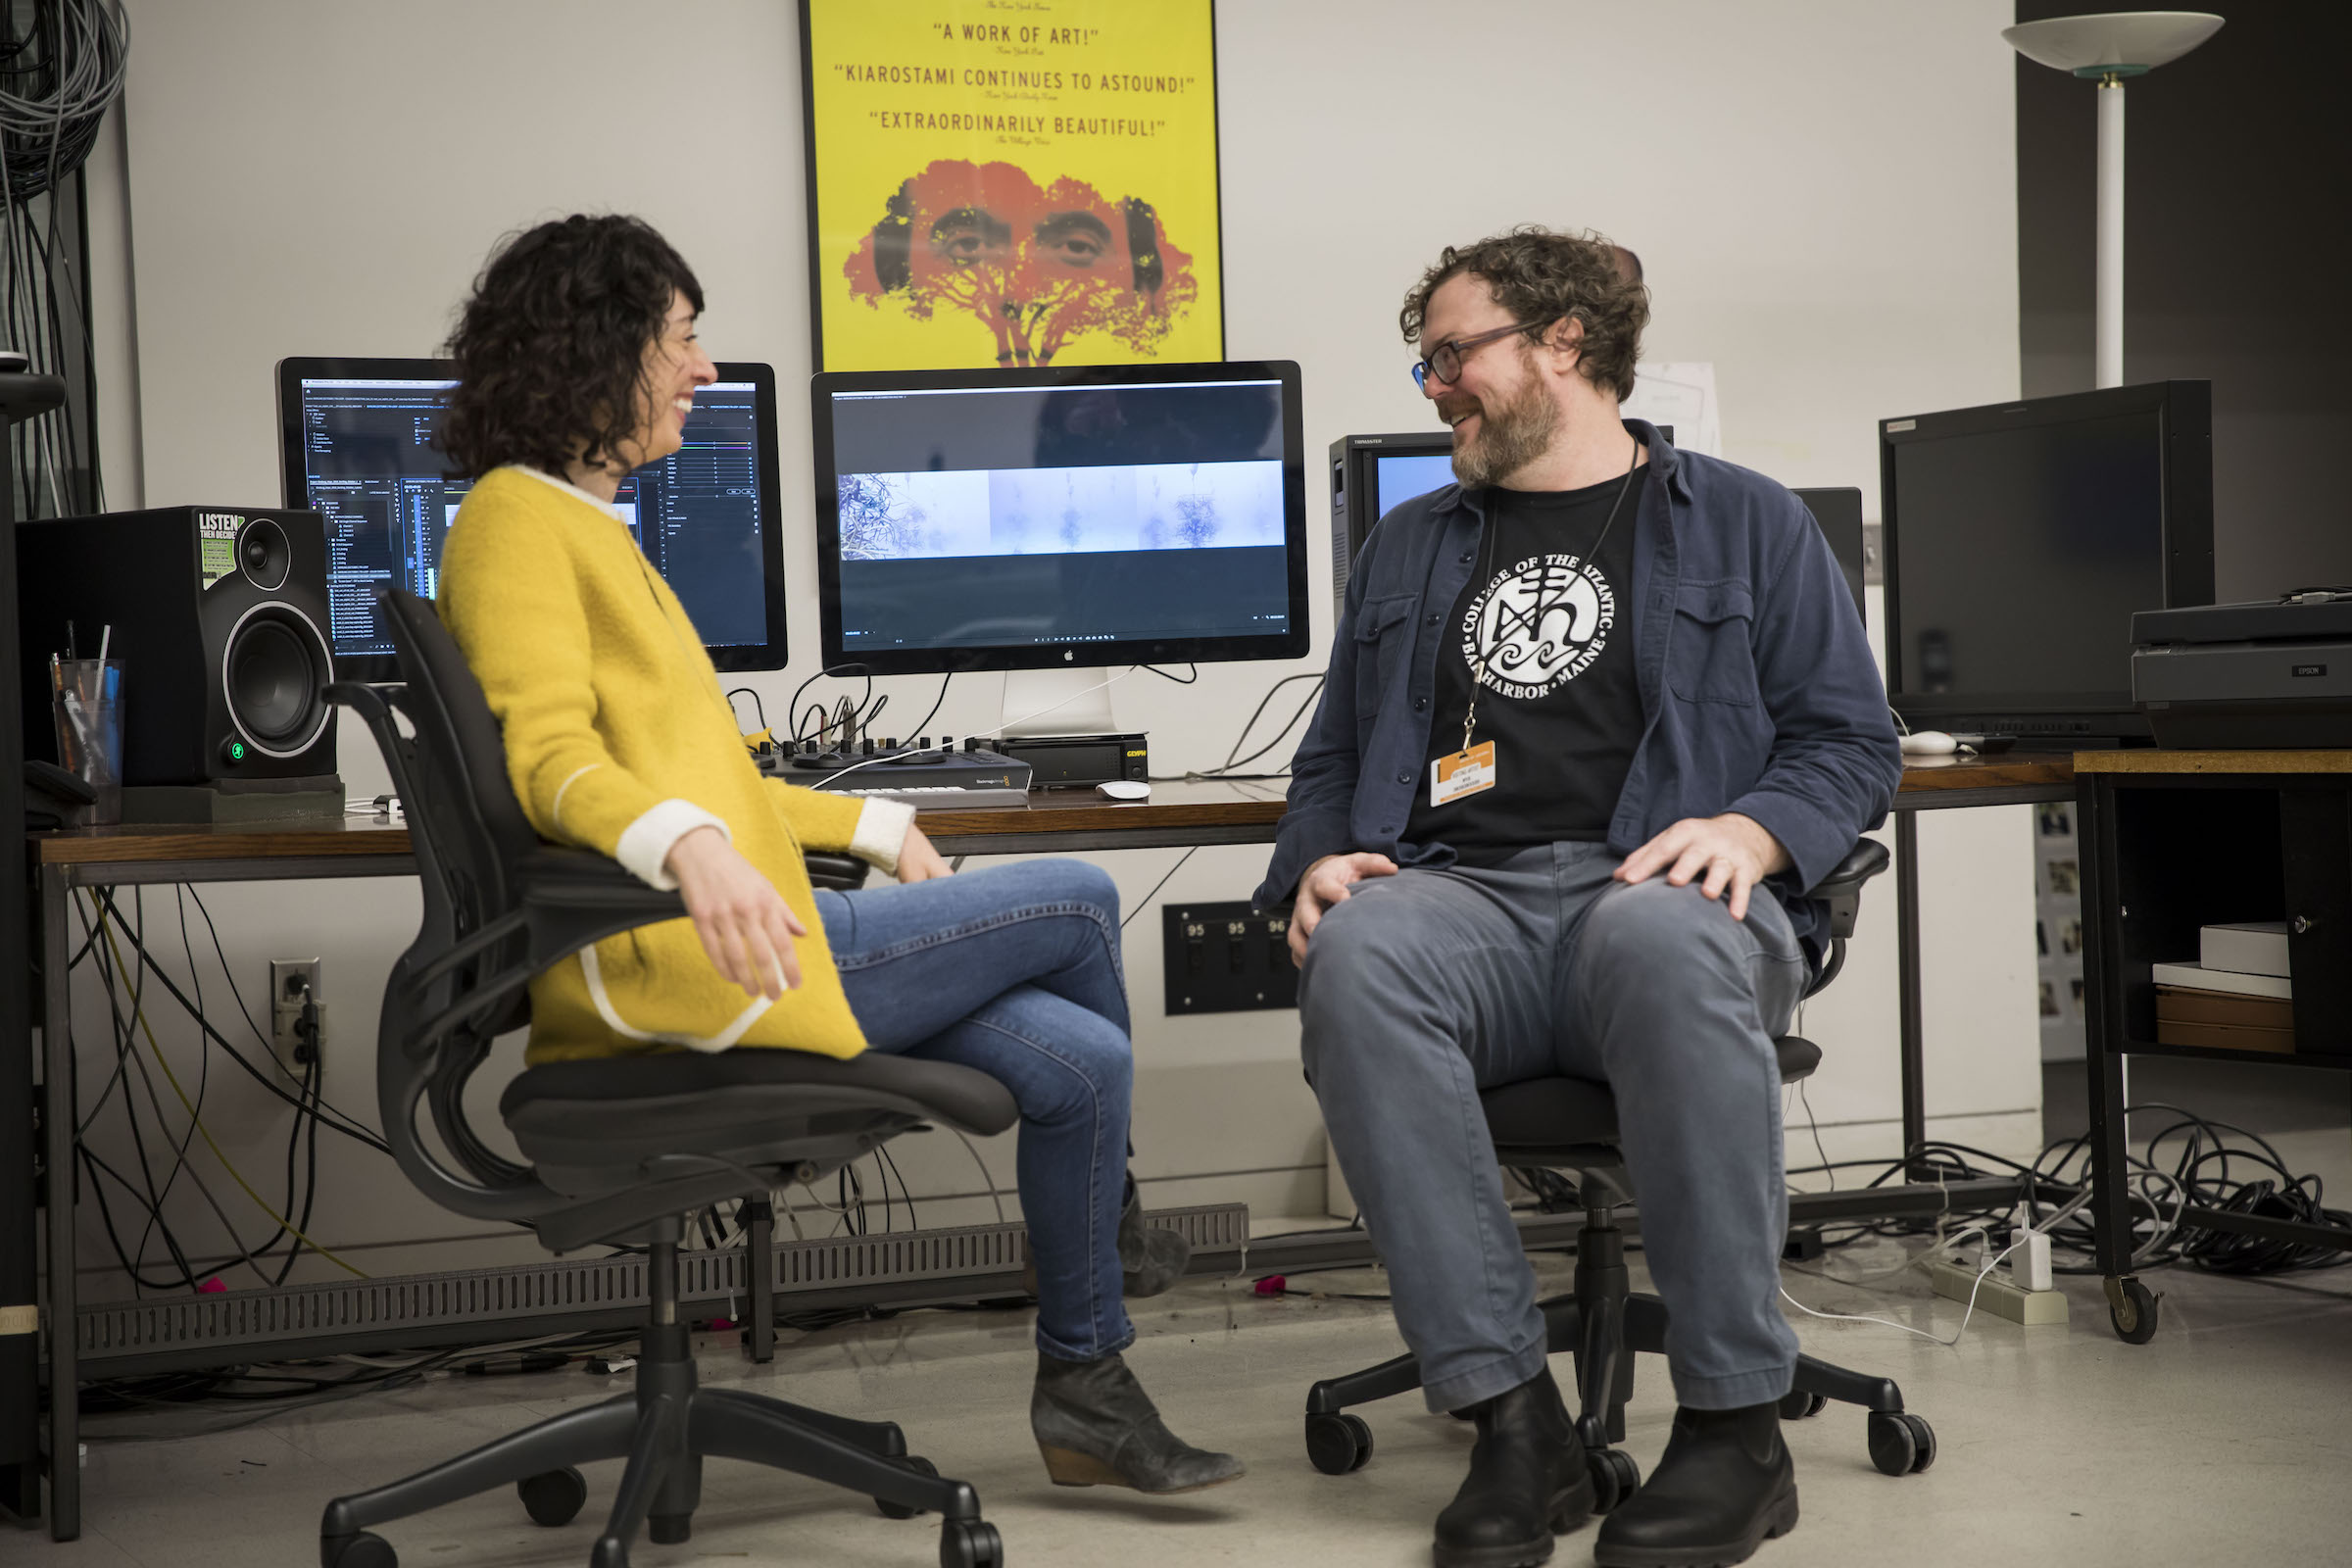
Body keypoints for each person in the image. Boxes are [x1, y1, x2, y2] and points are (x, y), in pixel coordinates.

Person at [434, 213, 1242, 1495]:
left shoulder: (584, 521)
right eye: (683, 340)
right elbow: (552, 760)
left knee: (1082, 1063)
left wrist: (867, 820)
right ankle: (1117, 1235)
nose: (703, 371)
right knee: (1084, 898)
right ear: (602, 348)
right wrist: (692, 845)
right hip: (689, 963)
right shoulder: (515, 525)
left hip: (731, 932)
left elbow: (701, 772)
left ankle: (1086, 1385)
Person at [1256, 226, 1899, 1568]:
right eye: (1424, 361)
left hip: (1657, 892)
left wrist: (1752, 826)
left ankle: (1734, 1431)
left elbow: (1852, 742)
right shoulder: (1410, 549)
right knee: (1360, 956)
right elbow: (1328, 760)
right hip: (1465, 900)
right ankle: (1514, 1425)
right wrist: (1315, 860)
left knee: (1663, 937)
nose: (1434, 387)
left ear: (1564, 345)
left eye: (1453, 355)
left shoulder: (1745, 518)